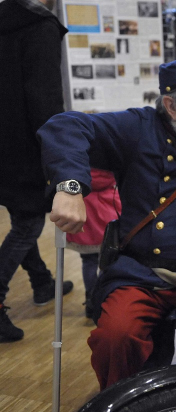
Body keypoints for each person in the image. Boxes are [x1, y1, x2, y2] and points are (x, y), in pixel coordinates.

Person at [38, 59, 176, 389]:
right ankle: (122, 402)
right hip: (144, 274)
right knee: (115, 336)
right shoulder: (138, 127)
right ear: (170, 104)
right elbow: (63, 125)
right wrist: (70, 186)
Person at [0, 0, 73, 342]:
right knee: (29, 223)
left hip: (4, 143)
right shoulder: (40, 27)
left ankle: (42, 282)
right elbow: (44, 97)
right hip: (24, 145)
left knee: (21, 215)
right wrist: (58, 149)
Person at [65, 168, 121, 318]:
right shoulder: (106, 168)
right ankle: (106, 297)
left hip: (83, 211)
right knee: (108, 262)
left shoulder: (79, 166)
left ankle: (90, 299)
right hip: (106, 213)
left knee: (88, 262)